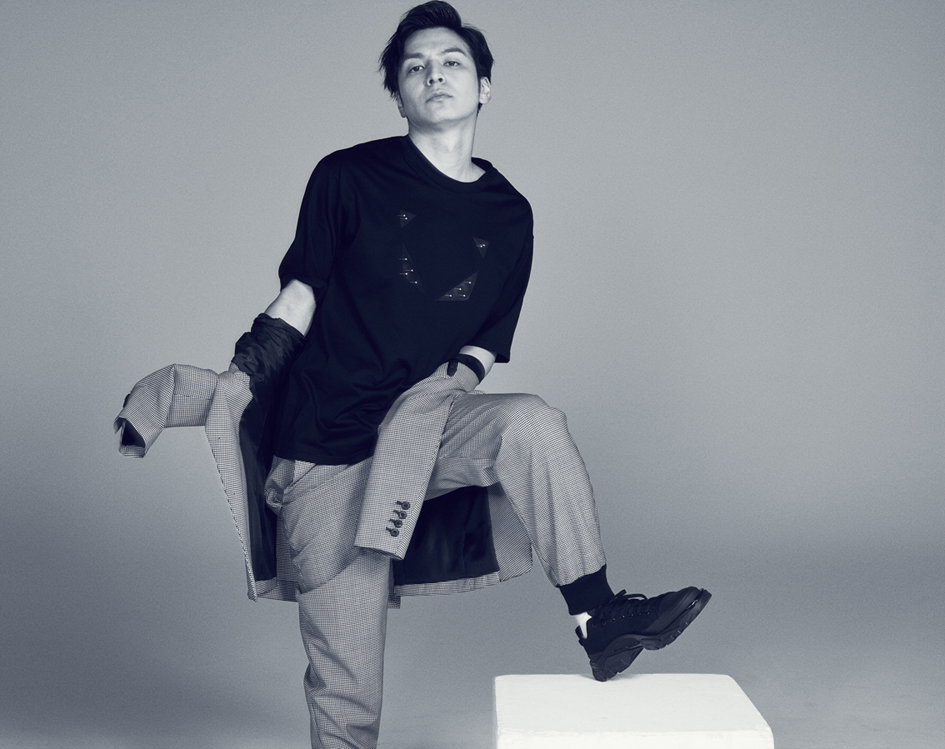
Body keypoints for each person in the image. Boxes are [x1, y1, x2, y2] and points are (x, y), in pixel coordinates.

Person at [117, 3, 710, 748]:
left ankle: (599, 617)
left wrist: (436, 399)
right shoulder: (346, 177)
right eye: (415, 67)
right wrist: (240, 374)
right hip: (324, 450)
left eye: (452, 62)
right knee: (349, 692)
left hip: (421, 433)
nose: (435, 74)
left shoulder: (510, 215)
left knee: (532, 423)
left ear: (485, 86)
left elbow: (485, 345)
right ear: (398, 95)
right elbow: (300, 295)